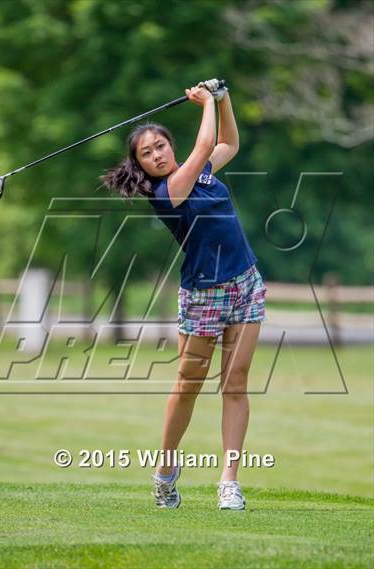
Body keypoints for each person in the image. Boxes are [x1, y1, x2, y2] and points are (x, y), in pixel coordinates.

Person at [103, 79, 266, 510]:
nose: (157, 154)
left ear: (171, 147)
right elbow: (207, 139)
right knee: (189, 384)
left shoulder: (204, 172)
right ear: (141, 164)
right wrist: (206, 102)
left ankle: (229, 481)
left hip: (245, 284)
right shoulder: (167, 192)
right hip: (203, 296)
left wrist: (224, 96)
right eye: (147, 153)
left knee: (236, 383)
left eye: (160, 146)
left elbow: (227, 140)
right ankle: (165, 471)